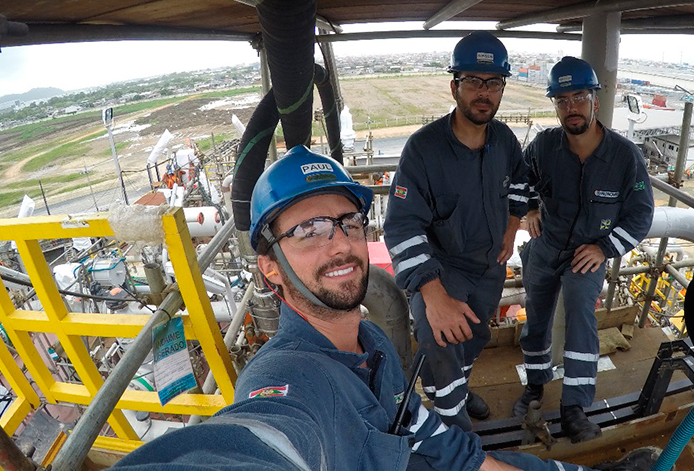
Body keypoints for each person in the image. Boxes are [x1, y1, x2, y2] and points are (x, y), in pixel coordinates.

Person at [111, 145, 658, 471]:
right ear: (270, 268)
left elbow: (431, 438)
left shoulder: (372, 346)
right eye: (307, 231)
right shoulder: (288, 377)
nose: (339, 244)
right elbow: (261, 440)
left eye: (347, 223)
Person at [383, 31, 529, 430]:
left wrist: (513, 224)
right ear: (454, 87)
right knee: (440, 339)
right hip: (441, 269)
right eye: (472, 82)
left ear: (501, 89)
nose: (483, 92)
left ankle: (458, 391)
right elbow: (400, 226)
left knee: (474, 337)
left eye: (493, 83)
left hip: (488, 268)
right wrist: (433, 295)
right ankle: (454, 425)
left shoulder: (504, 140)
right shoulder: (423, 149)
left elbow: (519, 181)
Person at [512, 57, 655, 444]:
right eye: (562, 99)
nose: (570, 107)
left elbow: (641, 216)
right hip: (546, 247)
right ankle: (536, 386)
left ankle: (574, 407)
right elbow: (520, 180)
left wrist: (606, 247)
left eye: (579, 97)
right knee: (536, 320)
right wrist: (529, 208)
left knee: (579, 314)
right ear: (555, 105)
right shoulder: (544, 146)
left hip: (587, 254)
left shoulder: (625, 158)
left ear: (595, 99)